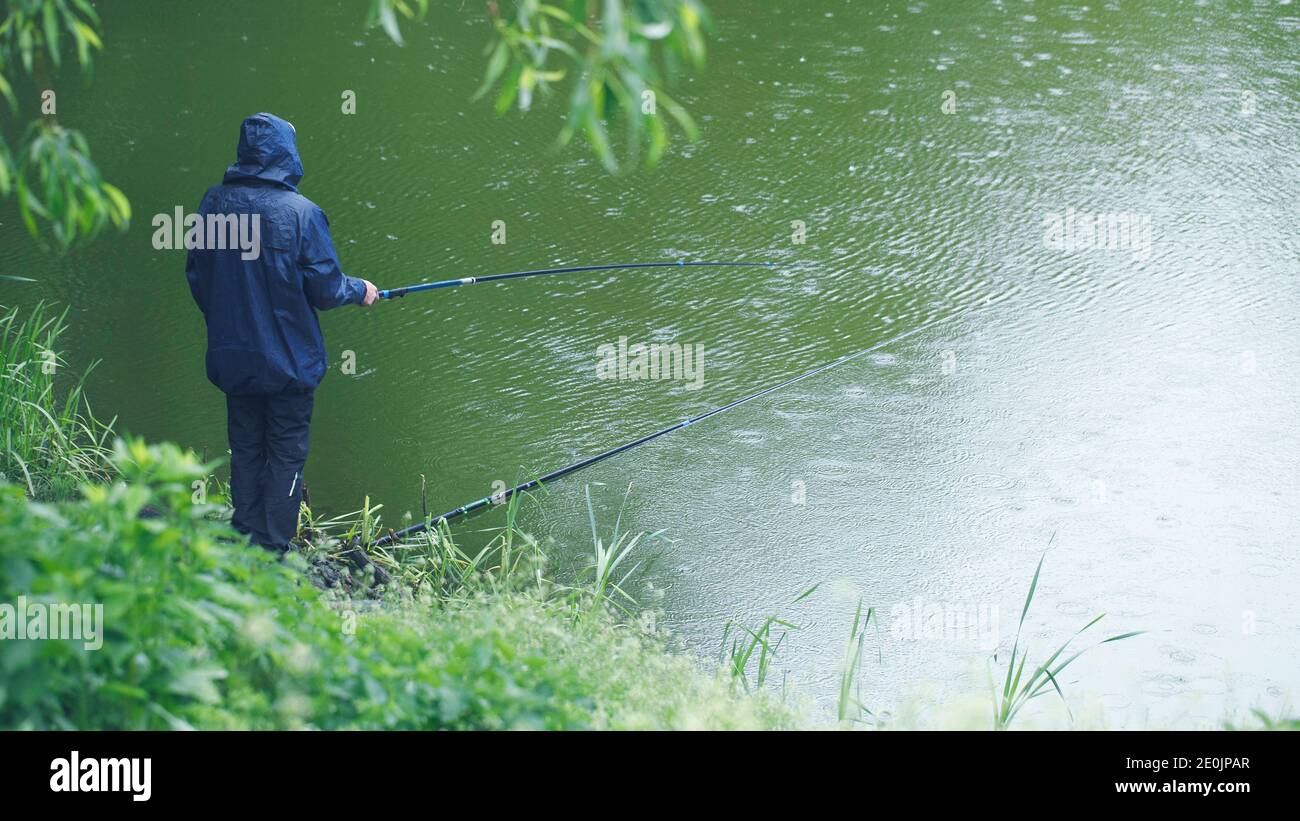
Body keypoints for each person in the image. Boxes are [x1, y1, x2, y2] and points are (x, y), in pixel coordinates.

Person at [186, 112, 377, 553]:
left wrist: (228, 322)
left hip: (233, 357)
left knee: (247, 446)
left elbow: (198, 276)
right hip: (289, 361)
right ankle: (272, 549)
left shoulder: (214, 203)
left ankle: (245, 534)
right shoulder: (302, 214)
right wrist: (360, 290)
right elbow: (327, 290)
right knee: (285, 451)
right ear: (286, 153)